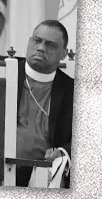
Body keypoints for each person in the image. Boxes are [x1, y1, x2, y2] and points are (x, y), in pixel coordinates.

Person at [15, 19, 74, 187]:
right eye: (37, 40)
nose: (41, 48)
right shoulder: (2, 77)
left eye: (50, 45)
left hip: (46, 176)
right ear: (29, 42)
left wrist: (63, 152)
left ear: (63, 53)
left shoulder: (73, 91)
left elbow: (88, 136)